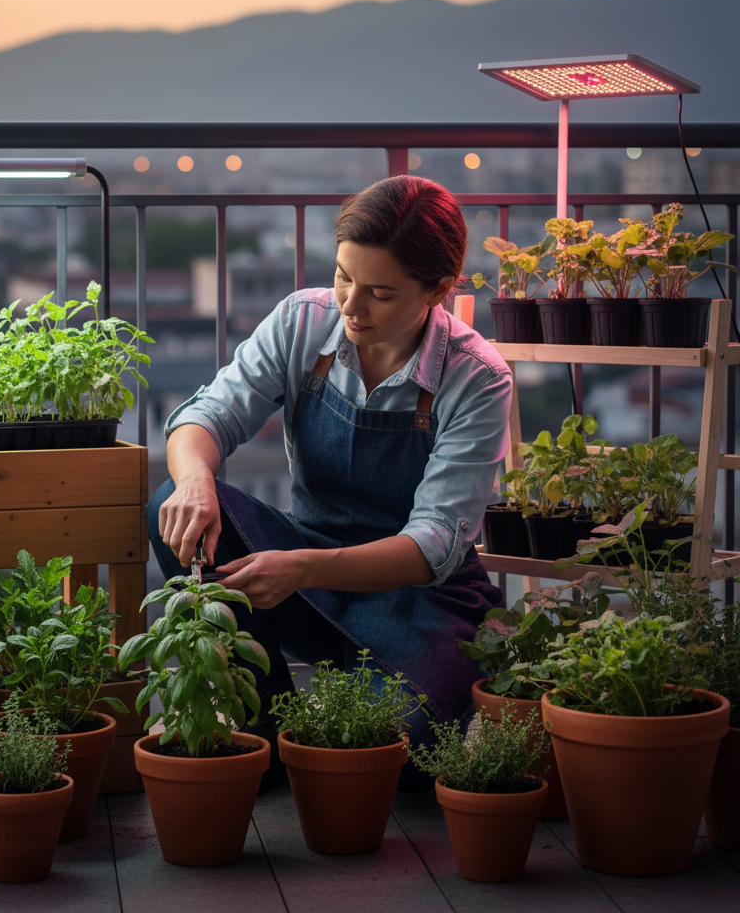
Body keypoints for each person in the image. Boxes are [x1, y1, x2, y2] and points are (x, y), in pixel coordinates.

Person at [148, 175, 511, 789]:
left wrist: (305, 567)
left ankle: (367, 680)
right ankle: (260, 731)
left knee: (403, 755)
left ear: (439, 291)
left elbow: (434, 546)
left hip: (420, 597)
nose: (350, 305)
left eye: (381, 293)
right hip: (307, 575)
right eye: (344, 275)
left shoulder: (477, 377)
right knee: (173, 506)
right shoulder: (303, 321)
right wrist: (194, 483)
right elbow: (203, 418)